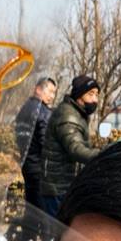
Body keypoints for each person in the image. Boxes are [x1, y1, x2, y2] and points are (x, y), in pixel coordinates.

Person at [40, 74, 100, 217]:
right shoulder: (68, 116)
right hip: (57, 187)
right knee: (58, 228)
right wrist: (104, 154)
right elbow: (76, 149)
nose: (95, 100)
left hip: (64, 185)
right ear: (79, 95)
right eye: (90, 94)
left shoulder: (78, 113)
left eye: (97, 95)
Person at [13, 76, 57, 241]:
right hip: (40, 168)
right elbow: (47, 142)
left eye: (54, 93)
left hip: (27, 166)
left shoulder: (24, 109)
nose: (52, 96)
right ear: (38, 89)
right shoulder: (42, 111)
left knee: (31, 210)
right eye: (50, 91)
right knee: (45, 214)